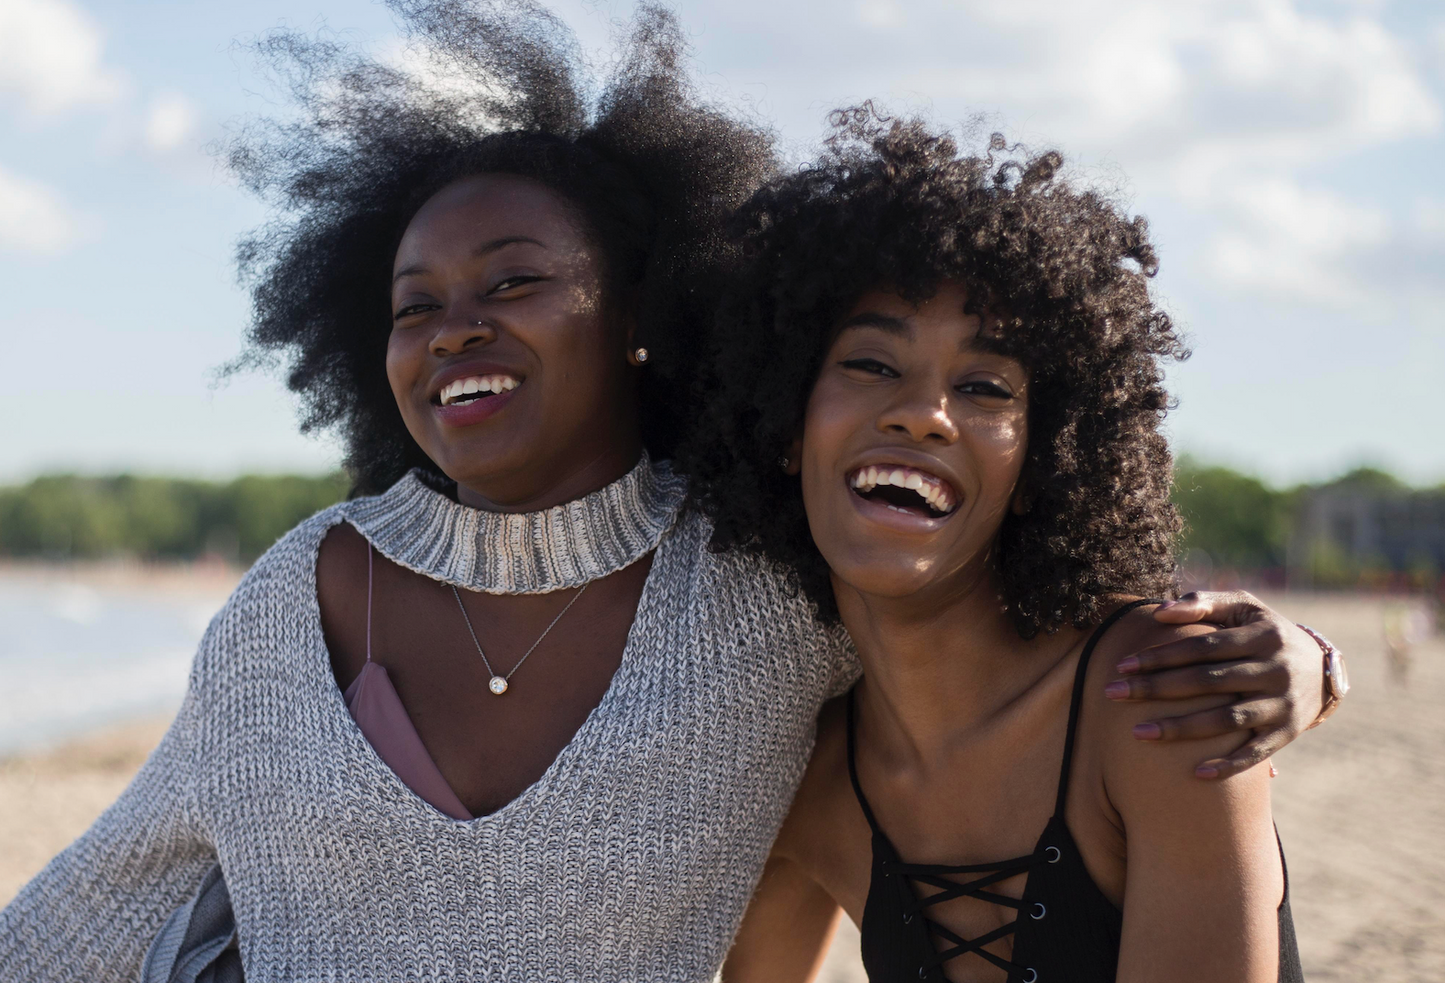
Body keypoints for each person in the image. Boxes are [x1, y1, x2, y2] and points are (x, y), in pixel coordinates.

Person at [0, 7, 1335, 982]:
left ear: (643, 314)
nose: (457, 326)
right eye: (417, 306)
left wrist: (1301, 652)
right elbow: (95, 908)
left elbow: (1002, 609)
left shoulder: (762, 586)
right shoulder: (289, 601)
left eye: (514, 281)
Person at [689, 111, 1326, 982]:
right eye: (871, 364)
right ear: (784, 422)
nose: (923, 411)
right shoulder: (807, 781)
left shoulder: (1157, 698)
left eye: (984, 385)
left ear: (1041, 461)